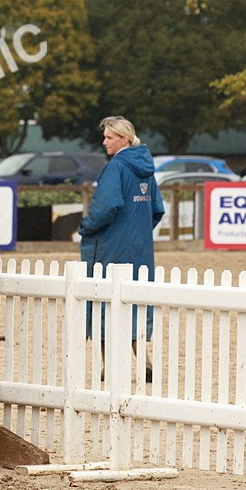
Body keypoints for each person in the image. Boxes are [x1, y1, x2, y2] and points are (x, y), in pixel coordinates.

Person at [77, 115, 164, 373]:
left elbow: (106, 208)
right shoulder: (146, 171)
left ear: (124, 139)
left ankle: (108, 365)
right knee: (137, 299)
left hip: (112, 247)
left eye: (109, 137)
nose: (104, 142)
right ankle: (144, 361)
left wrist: (85, 227)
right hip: (140, 248)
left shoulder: (116, 168)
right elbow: (157, 210)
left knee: (106, 299)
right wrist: (137, 231)